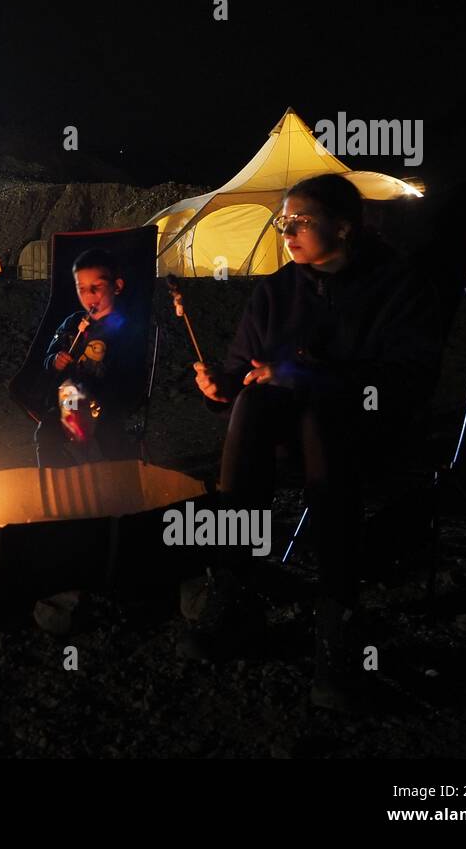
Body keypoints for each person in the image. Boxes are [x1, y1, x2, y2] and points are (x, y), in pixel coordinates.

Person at [180, 173, 443, 712]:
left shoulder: (396, 286)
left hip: (367, 425)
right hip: (280, 427)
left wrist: (313, 374)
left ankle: (337, 624)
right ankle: (235, 585)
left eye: (300, 221)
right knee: (254, 403)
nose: (287, 231)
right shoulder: (276, 290)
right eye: (283, 221)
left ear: (343, 227)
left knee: (322, 413)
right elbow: (239, 374)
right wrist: (220, 388)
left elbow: (405, 381)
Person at [34, 248, 145, 467]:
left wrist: (99, 391)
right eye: (82, 288)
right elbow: (48, 358)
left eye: (97, 287)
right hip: (66, 401)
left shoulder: (126, 329)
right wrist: (55, 360)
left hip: (105, 404)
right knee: (47, 433)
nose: (88, 296)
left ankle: (117, 482)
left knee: (112, 438)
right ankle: (56, 481)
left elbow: (130, 376)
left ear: (117, 286)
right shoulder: (72, 323)